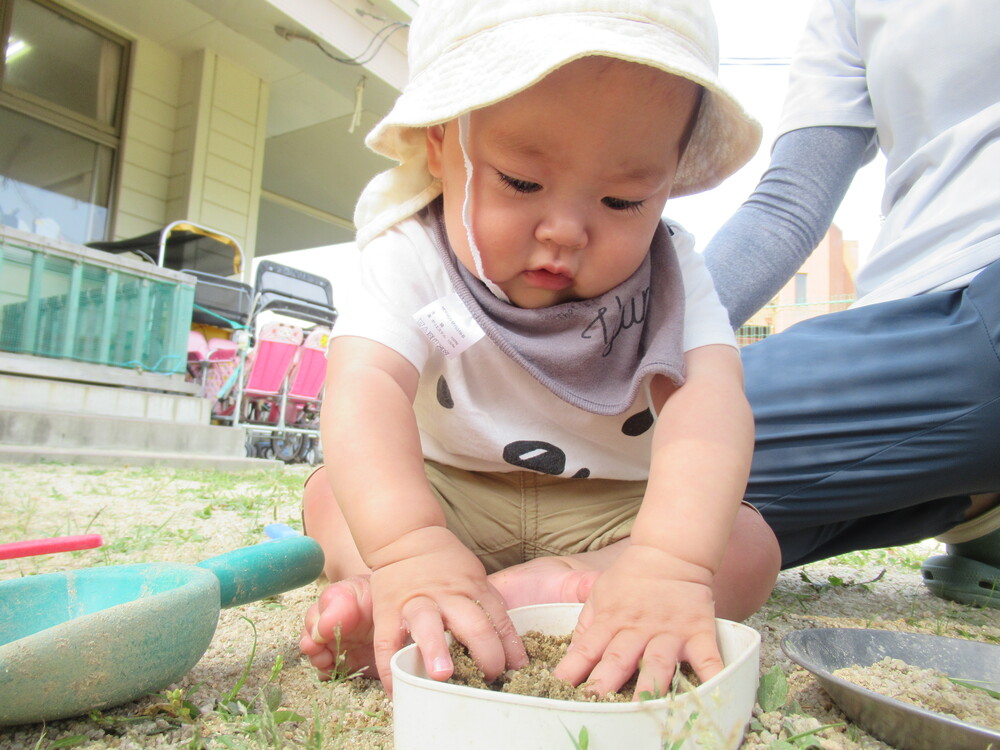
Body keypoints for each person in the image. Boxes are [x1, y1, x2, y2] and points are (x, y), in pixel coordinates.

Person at [299, 0, 782, 699]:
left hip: (615, 513)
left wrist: (669, 558)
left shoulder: (675, 272)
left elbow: (708, 406)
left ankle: (538, 594)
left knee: (746, 547)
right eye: (521, 183)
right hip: (450, 496)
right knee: (333, 496)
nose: (566, 230)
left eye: (623, 200)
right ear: (441, 143)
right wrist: (409, 544)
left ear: (668, 182)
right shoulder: (410, 249)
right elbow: (362, 386)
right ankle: (405, 583)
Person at [703, 0, 1000, 609]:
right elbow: (790, 201)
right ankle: (977, 497)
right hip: (913, 309)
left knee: (617, 464)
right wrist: (641, 340)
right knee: (577, 480)